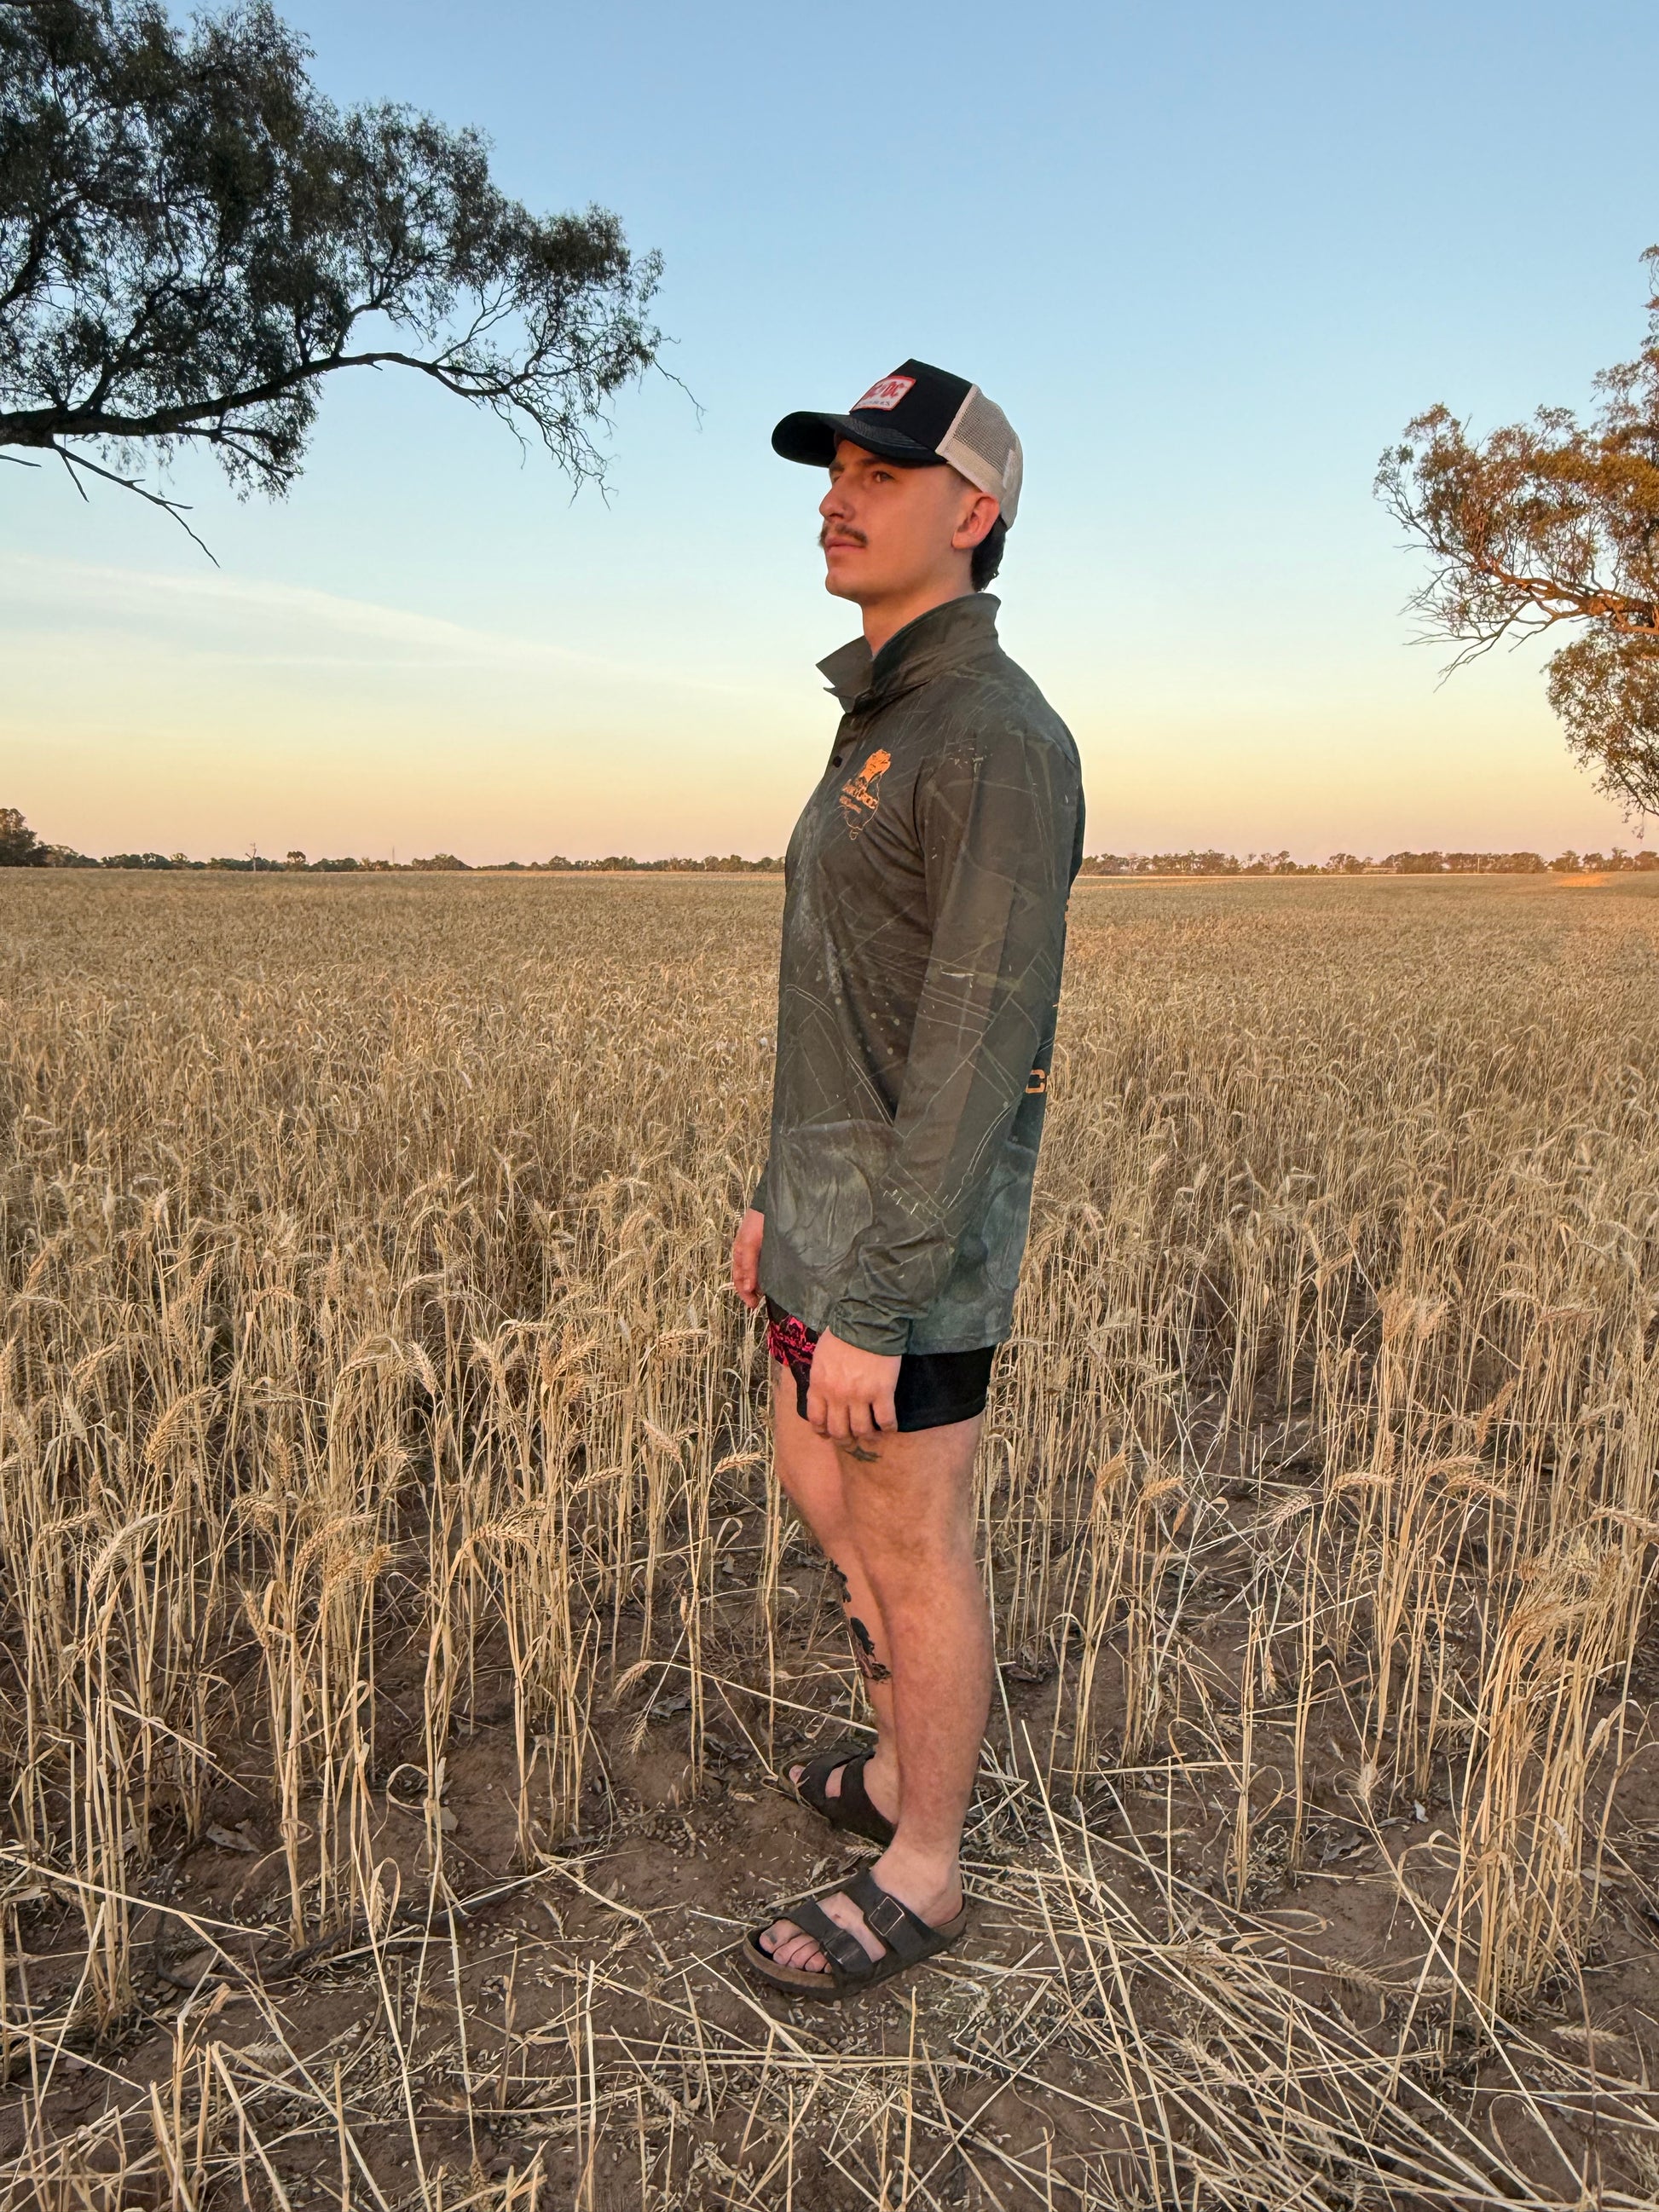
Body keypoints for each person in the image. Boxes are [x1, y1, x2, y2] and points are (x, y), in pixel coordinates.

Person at [729, 360, 1085, 1997]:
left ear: (973, 513)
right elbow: (838, 1001)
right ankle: (888, 1774)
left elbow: (969, 1049)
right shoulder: (879, 716)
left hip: (908, 1257)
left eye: (881, 472)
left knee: (911, 1531)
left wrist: (876, 1293)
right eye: (832, 467)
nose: (838, 492)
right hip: (825, 1226)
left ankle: (924, 1865)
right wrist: (773, 1203)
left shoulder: (994, 736)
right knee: (825, 1495)